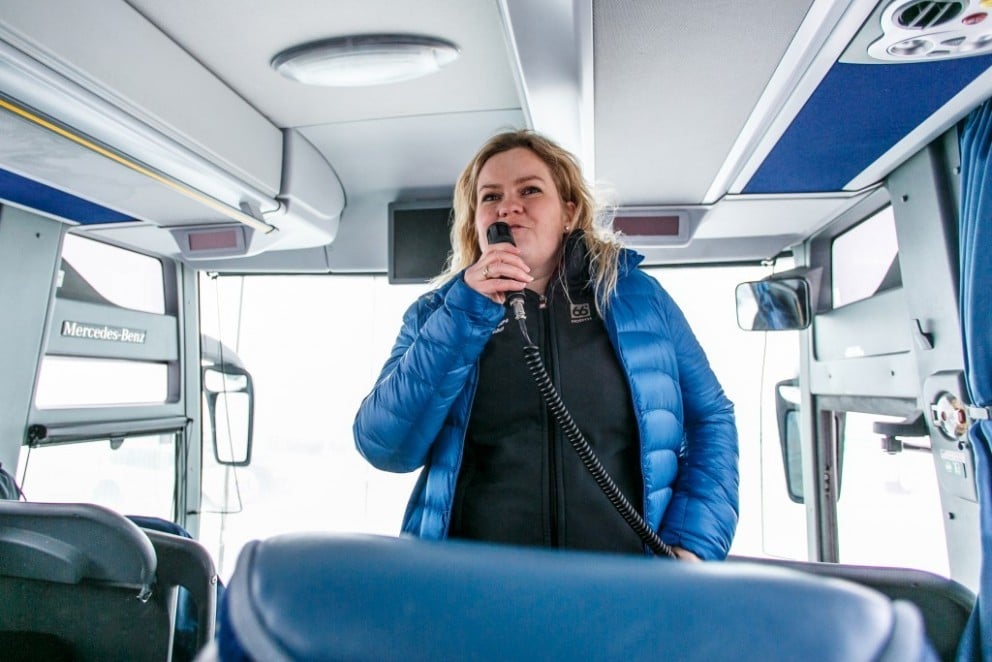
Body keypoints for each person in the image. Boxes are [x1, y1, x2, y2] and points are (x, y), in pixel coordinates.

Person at [353, 130, 738, 561]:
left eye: (530, 190)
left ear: (569, 211)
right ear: (476, 222)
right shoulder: (438, 313)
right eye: (490, 196)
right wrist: (464, 310)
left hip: (624, 580)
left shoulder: (638, 298)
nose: (508, 206)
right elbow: (384, 446)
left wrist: (693, 542)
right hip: (471, 584)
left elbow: (710, 418)